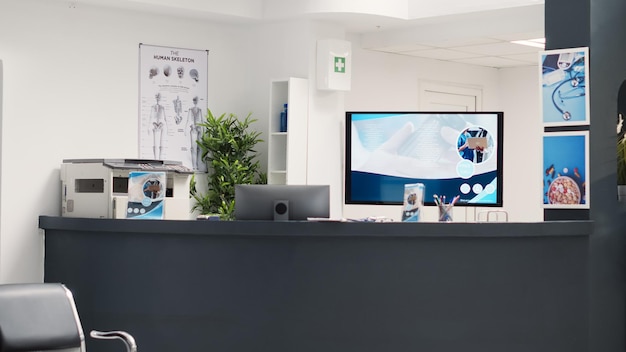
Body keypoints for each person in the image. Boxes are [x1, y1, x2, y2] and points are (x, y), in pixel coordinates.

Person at [185, 96, 203, 170]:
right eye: (194, 100)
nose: (195, 101)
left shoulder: (200, 110)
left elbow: (201, 121)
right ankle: (193, 165)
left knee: (198, 149)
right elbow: (188, 120)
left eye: (196, 100)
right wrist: (188, 127)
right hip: (193, 130)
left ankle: (197, 165)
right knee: (193, 148)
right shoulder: (190, 110)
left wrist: (202, 131)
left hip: (198, 130)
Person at [148, 92, 167, 160]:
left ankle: (160, 159)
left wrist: (162, 124)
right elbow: (150, 117)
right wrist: (152, 125)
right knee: (155, 144)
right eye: (156, 97)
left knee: (161, 144)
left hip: (161, 126)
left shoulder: (162, 107)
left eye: (158, 97)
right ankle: (155, 159)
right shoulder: (152, 107)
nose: (157, 98)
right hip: (154, 126)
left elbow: (165, 118)